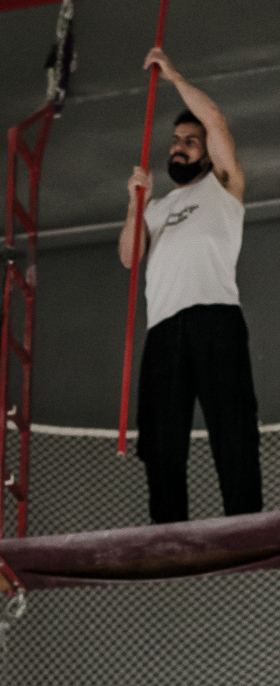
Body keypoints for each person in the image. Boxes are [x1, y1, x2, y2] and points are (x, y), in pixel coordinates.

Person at [118, 48, 260, 524]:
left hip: (214, 316)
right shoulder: (157, 209)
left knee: (231, 421)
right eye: (176, 141)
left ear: (206, 153)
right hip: (164, 330)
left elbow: (215, 119)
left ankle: (245, 521)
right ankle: (168, 531)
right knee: (161, 436)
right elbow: (129, 257)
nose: (180, 147)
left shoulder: (223, 184)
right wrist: (137, 205)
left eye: (190, 141)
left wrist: (174, 74)